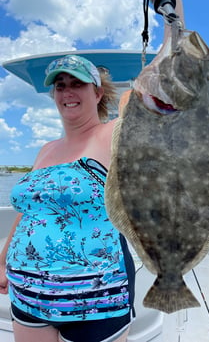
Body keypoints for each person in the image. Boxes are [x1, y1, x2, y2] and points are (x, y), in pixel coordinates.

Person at [0, 54, 136, 342]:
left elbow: (165, 98)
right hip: (27, 297)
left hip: (97, 301)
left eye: (78, 83)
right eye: (60, 85)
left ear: (98, 93)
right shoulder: (46, 150)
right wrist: (2, 263)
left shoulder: (114, 134)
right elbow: (29, 212)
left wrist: (173, 18)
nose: (67, 91)